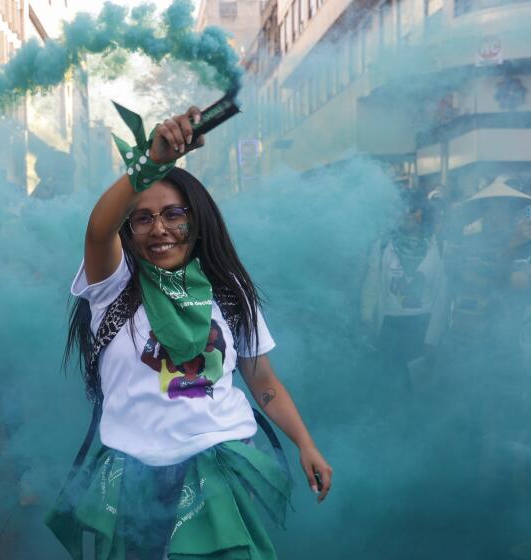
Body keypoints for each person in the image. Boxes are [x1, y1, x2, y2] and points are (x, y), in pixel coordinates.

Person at [46, 106, 332, 559]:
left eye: (173, 213)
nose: (159, 228)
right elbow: (98, 230)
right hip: (133, 475)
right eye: (142, 218)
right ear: (130, 229)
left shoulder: (229, 292)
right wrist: (152, 165)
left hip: (218, 466)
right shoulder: (113, 286)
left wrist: (306, 443)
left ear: (195, 221)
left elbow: (265, 384)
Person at [360, 191, 448, 383]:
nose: (407, 213)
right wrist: (367, 322)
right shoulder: (382, 245)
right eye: (402, 209)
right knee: (387, 384)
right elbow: (371, 286)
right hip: (388, 327)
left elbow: (441, 296)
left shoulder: (439, 246)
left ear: (423, 213)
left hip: (423, 326)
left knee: (418, 387)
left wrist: (432, 339)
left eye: (413, 209)